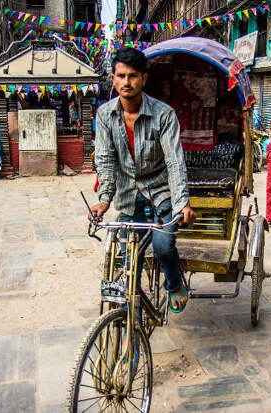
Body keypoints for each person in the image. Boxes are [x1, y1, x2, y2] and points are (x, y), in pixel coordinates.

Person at [89, 47, 196, 313]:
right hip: (127, 196)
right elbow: (104, 159)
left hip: (160, 193)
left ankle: (174, 284)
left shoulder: (164, 115)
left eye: (133, 76)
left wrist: (182, 202)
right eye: (121, 76)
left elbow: (174, 161)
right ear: (113, 79)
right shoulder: (104, 115)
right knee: (126, 260)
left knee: (162, 246)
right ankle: (130, 319)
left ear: (143, 79)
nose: (126, 82)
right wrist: (103, 200)